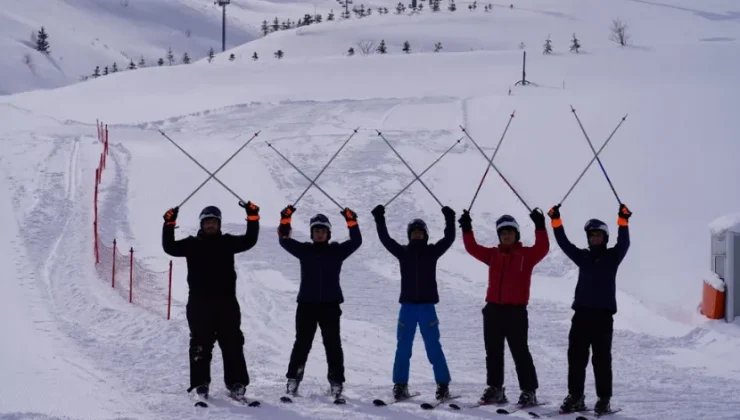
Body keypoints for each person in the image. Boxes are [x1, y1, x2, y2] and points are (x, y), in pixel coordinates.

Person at [161, 202, 260, 402]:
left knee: (232, 343)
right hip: (199, 304)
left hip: (227, 303)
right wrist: (169, 223)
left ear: (219, 224)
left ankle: (236, 383)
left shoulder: (228, 242)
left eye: (214, 222)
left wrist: (252, 217)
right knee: (200, 344)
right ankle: (201, 383)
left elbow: (250, 240)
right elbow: (170, 247)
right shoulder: (192, 244)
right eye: (207, 222)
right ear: (202, 224)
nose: (211, 225)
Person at [458, 209, 549, 407]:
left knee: (520, 352)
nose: (506, 235)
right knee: (493, 351)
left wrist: (540, 226)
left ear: (516, 234)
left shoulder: (527, 255)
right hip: (492, 310)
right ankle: (495, 389)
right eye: (503, 232)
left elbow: (543, 247)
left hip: (515, 312)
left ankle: (529, 391)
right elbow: (472, 247)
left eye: (510, 231)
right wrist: (466, 228)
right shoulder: (493, 255)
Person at [547, 203, 631, 416]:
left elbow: (625, 242)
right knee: (576, 358)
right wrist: (556, 221)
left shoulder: (613, 256)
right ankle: (575, 396)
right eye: (591, 235)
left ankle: (604, 400)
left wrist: (623, 220)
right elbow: (564, 244)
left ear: (605, 237)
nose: (594, 238)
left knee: (601, 360)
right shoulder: (582, 257)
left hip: (602, 317)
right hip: (581, 316)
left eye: (598, 235)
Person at [370, 204, 456, 401]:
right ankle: (400, 386)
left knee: (433, 347)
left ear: (425, 235)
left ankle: (443, 386)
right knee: (403, 347)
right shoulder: (403, 252)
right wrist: (379, 218)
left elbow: (449, 238)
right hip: (407, 308)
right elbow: (386, 240)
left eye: (420, 232)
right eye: (414, 232)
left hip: (427, 308)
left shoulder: (432, 252)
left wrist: (449, 219)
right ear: (409, 235)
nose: (417, 235)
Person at [277, 205, 362, 399]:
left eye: (323, 230)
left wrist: (352, 221)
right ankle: (293, 381)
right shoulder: (305, 250)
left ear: (328, 233)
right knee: (302, 344)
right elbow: (284, 240)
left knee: (332, 344)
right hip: (306, 305)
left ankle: (336, 383)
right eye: (316, 230)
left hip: (330, 306)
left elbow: (356, 241)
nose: (319, 233)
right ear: (312, 233)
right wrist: (285, 219)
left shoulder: (336, 251)